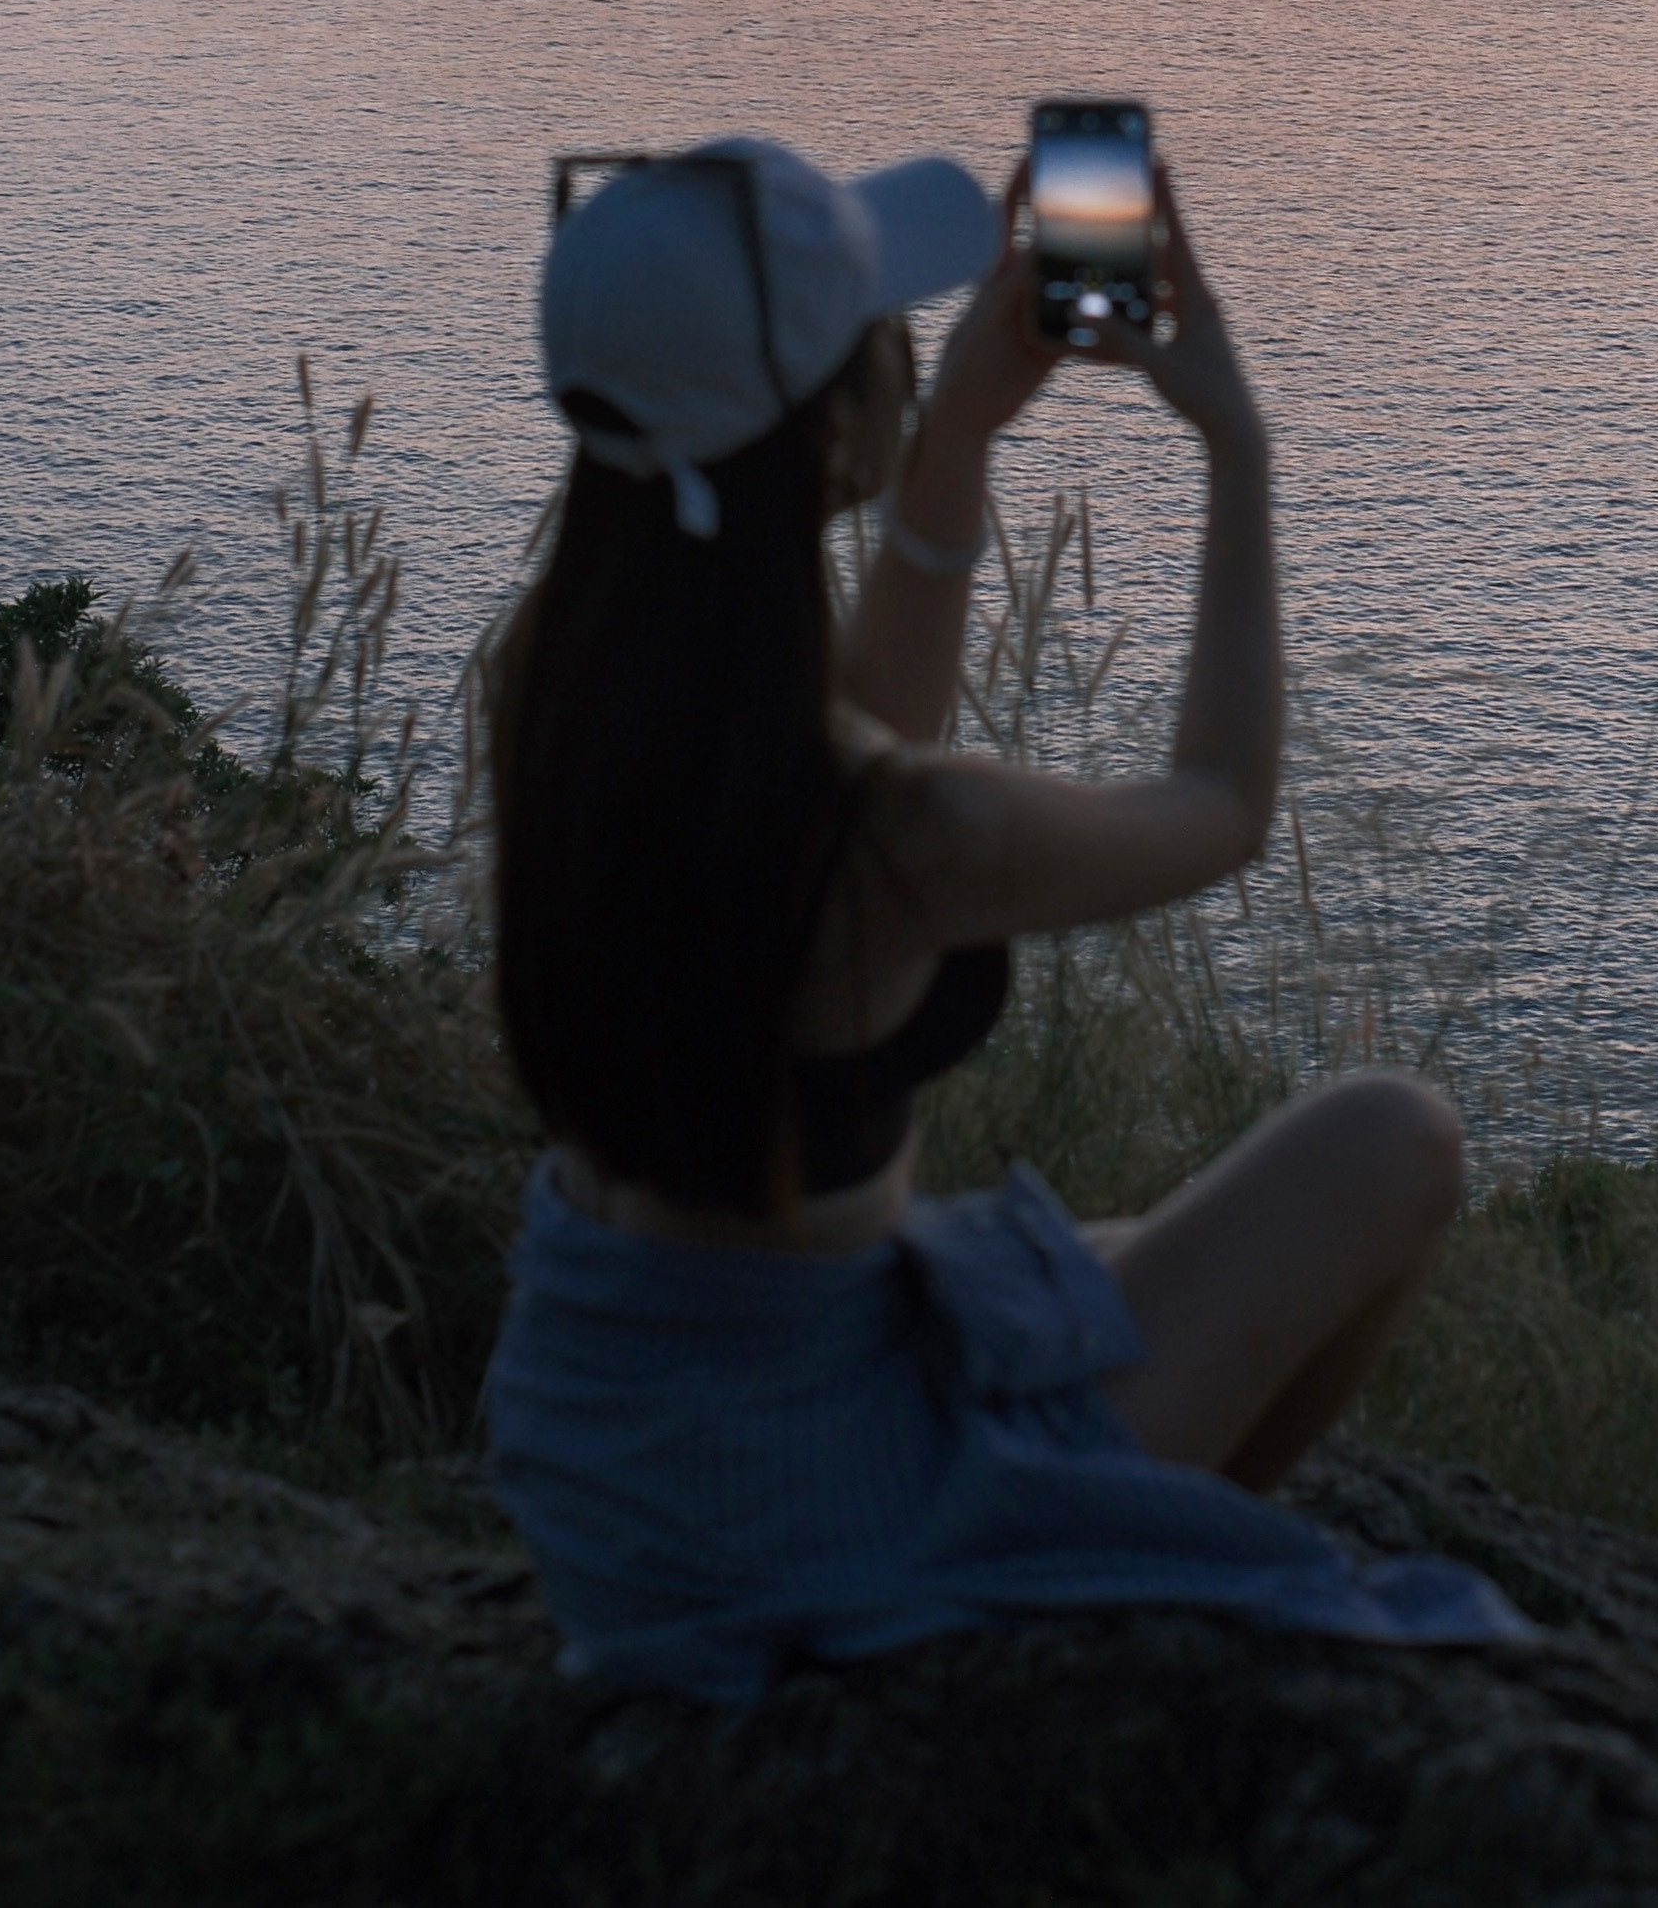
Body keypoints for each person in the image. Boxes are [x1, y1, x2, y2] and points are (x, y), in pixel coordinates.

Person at [486, 132, 1525, 1698]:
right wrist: (1233, 443)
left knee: (1096, 1261)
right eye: (893, 341)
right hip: (802, 1506)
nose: (918, 352)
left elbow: (852, 759)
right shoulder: (909, 837)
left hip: (607, 1448)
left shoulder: (565, 690)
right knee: (1396, 1138)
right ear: (831, 428)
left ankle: (1090, 1539)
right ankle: (1116, 1577)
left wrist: (958, 429)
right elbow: (1222, 804)